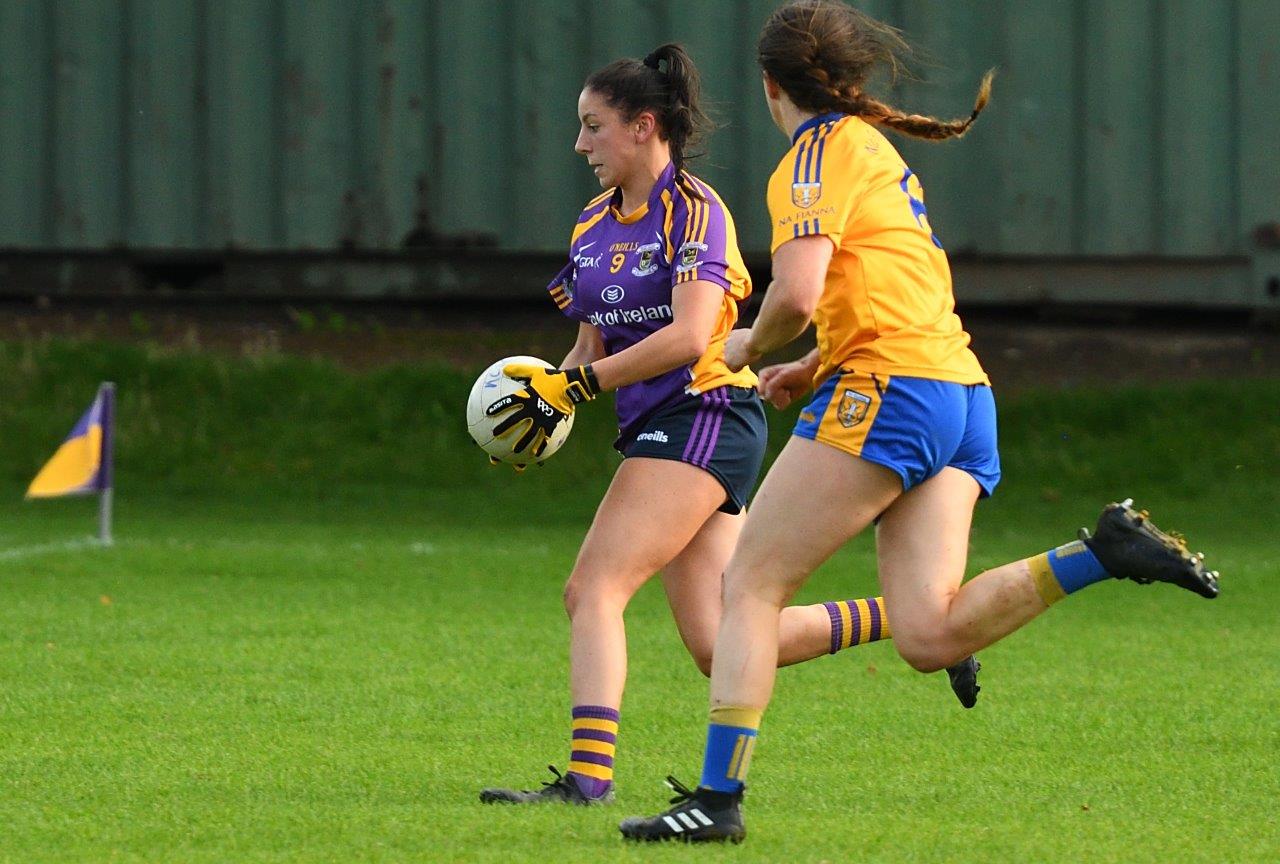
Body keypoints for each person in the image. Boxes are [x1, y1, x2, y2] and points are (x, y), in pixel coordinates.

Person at [619, 0, 1220, 842]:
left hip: (891, 392)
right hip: (959, 394)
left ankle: (718, 803)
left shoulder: (812, 158)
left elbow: (793, 293)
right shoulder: (875, 148)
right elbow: (887, 291)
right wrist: (813, 362)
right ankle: (1100, 553)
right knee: (929, 633)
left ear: (769, 86)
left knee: (748, 589)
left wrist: (748, 348)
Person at [477, 42, 981, 808]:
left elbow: (688, 337)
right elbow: (586, 349)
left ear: (644, 127)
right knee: (719, 643)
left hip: (708, 410)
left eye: (593, 127)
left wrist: (574, 387)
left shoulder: (697, 212)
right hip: (661, 421)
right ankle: (914, 620)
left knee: (594, 588)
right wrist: (539, 411)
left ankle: (587, 781)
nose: (580, 145)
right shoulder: (590, 228)